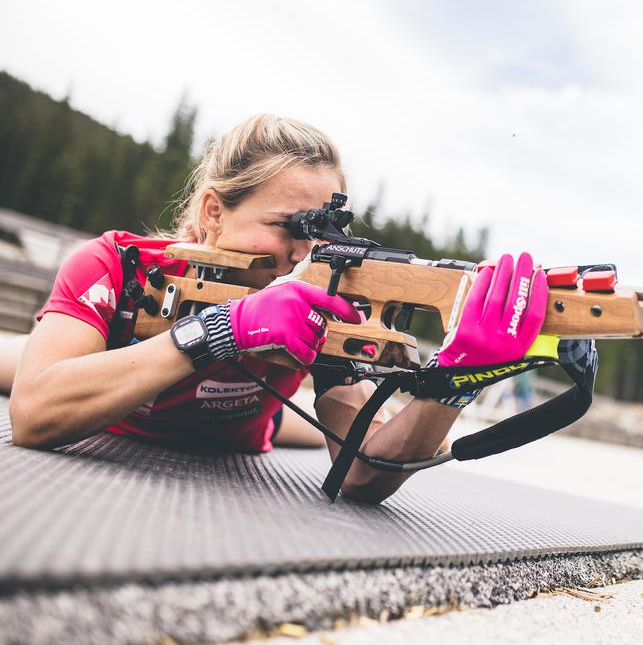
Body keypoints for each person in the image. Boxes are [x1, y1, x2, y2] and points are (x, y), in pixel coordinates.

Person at [3, 114, 548, 504]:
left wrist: (457, 380)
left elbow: (362, 473)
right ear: (214, 211)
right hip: (127, 404)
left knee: (319, 425)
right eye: (287, 227)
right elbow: (33, 416)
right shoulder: (115, 265)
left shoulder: (321, 293)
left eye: (321, 234)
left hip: (259, 426)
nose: (302, 254)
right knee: (18, 363)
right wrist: (222, 331)